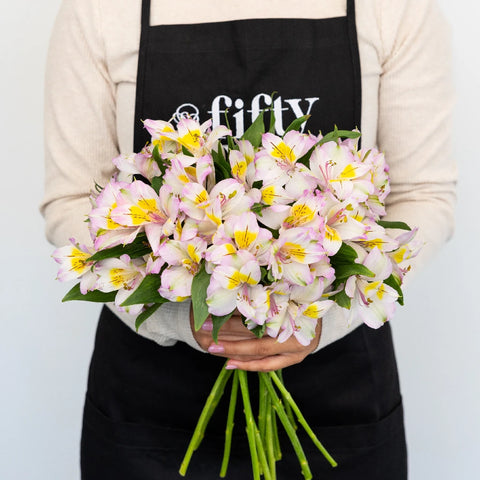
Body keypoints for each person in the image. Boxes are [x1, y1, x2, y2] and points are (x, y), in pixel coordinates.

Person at [41, 0, 455, 478]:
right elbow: (73, 200)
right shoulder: (99, 11)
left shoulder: (394, 8)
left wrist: (311, 318)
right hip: (151, 407)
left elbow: (424, 195)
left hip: (339, 401)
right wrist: (183, 316)